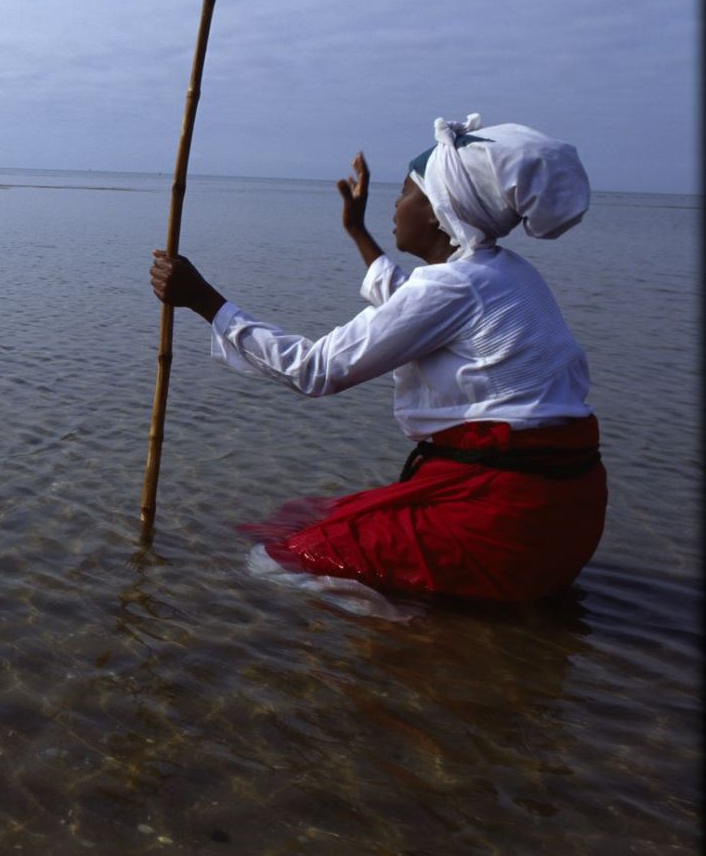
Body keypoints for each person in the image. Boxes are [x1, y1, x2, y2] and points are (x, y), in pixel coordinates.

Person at [148, 114, 605, 603]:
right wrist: (358, 231)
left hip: (508, 512)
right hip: (565, 509)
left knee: (274, 561)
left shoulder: (455, 285)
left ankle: (406, 630)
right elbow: (408, 302)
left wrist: (203, 301)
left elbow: (315, 370)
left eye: (407, 191)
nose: (396, 201)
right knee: (297, 519)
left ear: (437, 211)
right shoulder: (502, 273)